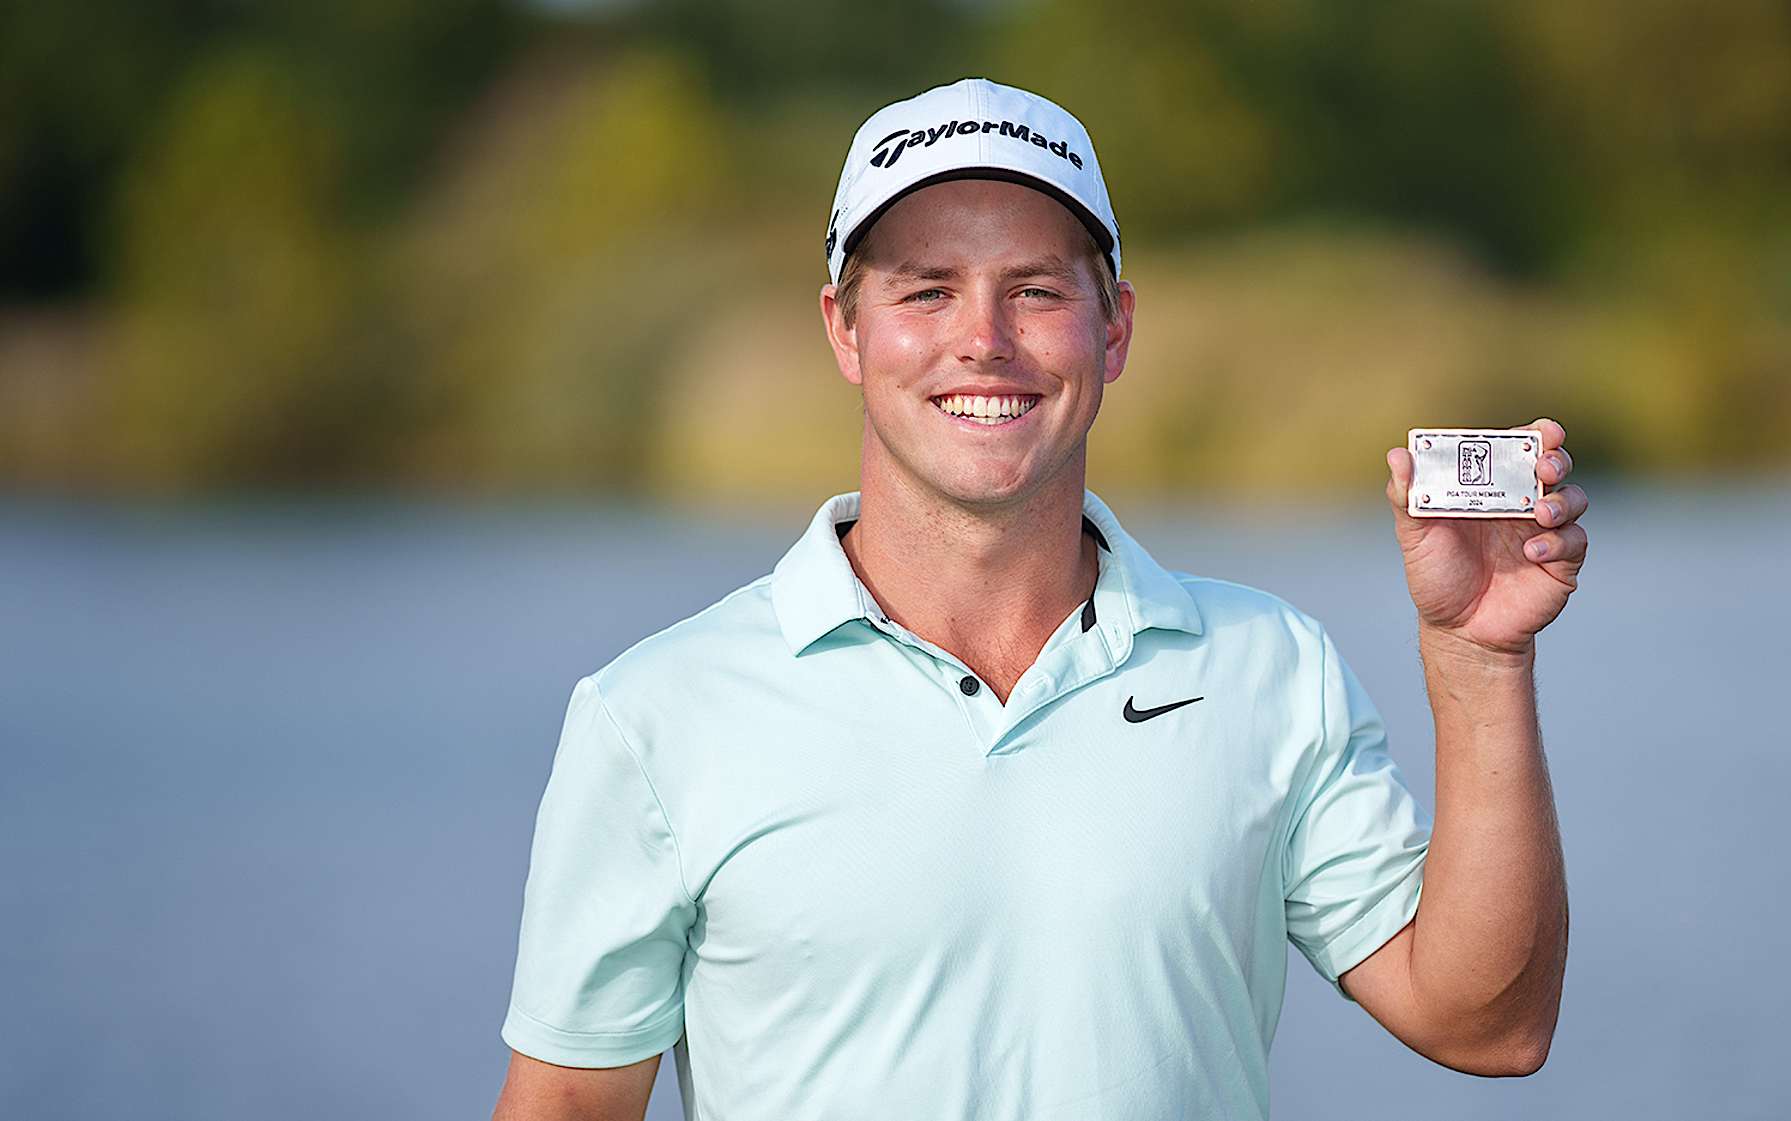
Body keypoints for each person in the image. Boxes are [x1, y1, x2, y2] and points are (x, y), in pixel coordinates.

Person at [491, 76, 1587, 1121]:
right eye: (926, 289)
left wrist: (1481, 660)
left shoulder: (1270, 664)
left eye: (1037, 289)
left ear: (1113, 329)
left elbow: (1489, 1022)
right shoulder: (656, 715)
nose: (984, 339)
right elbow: (569, 1101)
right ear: (844, 327)